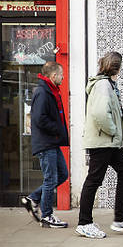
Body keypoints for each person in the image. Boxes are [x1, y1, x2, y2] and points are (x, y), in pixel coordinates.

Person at [75, 52, 123, 239]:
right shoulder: (103, 85)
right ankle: (84, 223)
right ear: (116, 67)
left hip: (110, 142)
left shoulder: (108, 85)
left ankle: (120, 219)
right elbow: (99, 113)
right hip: (102, 141)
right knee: (94, 180)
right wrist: (113, 130)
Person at [20, 61, 69, 228]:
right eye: (61, 75)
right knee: (50, 179)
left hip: (52, 142)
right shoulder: (43, 92)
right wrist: (57, 129)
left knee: (62, 174)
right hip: (46, 143)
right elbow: (39, 118)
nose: (63, 77)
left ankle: (33, 198)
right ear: (53, 76)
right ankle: (47, 216)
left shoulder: (50, 90)